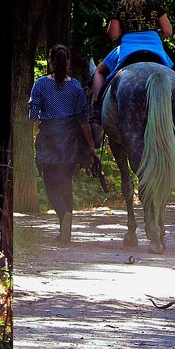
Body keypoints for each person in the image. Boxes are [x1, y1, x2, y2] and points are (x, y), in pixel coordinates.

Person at [29, 45, 100, 244]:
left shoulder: (40, 84)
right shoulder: (76, 86)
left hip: (48, 139)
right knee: (66, 183)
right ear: (67, 61)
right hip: (70, 142)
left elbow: (33, 116)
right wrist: (91, 146)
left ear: (51, 61)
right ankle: (66, 223)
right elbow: (83, 120)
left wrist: (38, 132)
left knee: (50, 185)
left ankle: (63, 215)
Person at [88, 0, 174, 125]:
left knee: (99, 71)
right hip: (155, 48)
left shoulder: (120, 8)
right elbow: (168, 31)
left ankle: (96, 108)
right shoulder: (155, 6)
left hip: (128, 48)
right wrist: (156, 33)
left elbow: (113, 35)